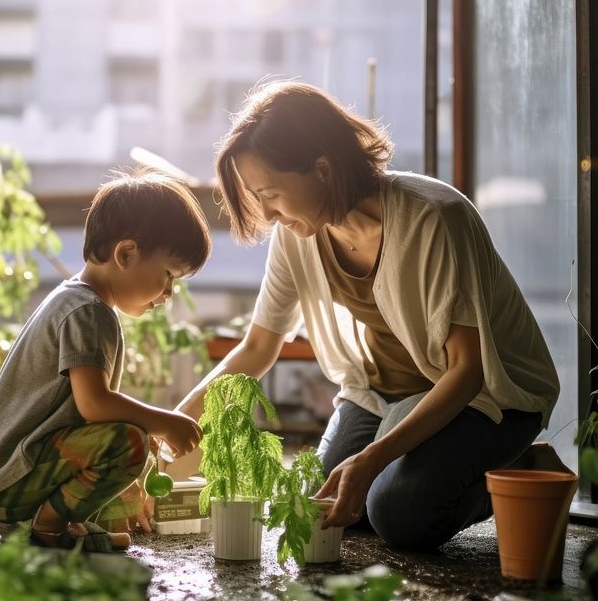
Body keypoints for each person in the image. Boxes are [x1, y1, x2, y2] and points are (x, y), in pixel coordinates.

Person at [176, 81, 560, 551]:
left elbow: (466, 372)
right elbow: (259, 347)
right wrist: (177, 420)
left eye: (271, 193)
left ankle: (527, 473)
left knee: (399, 514)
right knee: (331, 507)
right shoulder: (298, 236)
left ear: (322, 168)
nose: (268, 214)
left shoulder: (434, 218)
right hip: (378, 395)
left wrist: (374, 457)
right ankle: (410, 460)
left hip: (486, 398)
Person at [0, 169, 210, 552]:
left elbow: (92, 414)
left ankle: (52, 530)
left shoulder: (77, 301)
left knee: (131, 459)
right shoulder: (87, 311)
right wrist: (165, 422)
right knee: (129, 442)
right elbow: (95, 405)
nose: (168, 293)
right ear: (126, 254)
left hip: (8, 474)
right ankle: (47, 531)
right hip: (10, 478)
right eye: (168, 275)